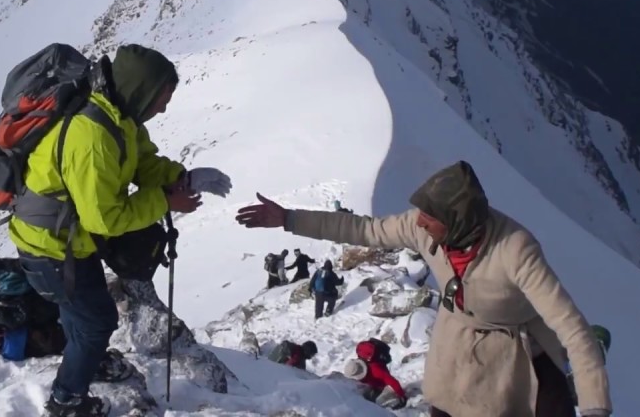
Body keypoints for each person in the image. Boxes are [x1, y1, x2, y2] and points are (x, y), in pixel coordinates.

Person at [235, 160, 612, 417]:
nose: (419, 223)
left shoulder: (516, 250)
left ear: (457, 222)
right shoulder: (423, 228)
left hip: (519, 350)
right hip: (457, 341)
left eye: (430, 218)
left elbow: (572, 328)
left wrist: (595, 407)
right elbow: (364, 230)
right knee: (447, 405)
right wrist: (289, 218)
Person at [11, 44, 234, 417]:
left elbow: (142, 163)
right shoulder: (92, 138)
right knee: (97, 323)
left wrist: (183, 177)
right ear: (141, 90)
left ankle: (85, 362)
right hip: (51, 247)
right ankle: (66, 400)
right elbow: (106, 220)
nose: (164, 109)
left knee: (82, 318)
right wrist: (165, 201)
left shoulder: (122, 118)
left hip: (70, 241)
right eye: (162, 99)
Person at [343, 338, 406, 408]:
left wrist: (402, 396)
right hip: (371, 384)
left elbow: (393, 382)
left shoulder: (377, 372)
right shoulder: (358, 365)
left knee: (370, 402)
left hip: (378, 386)